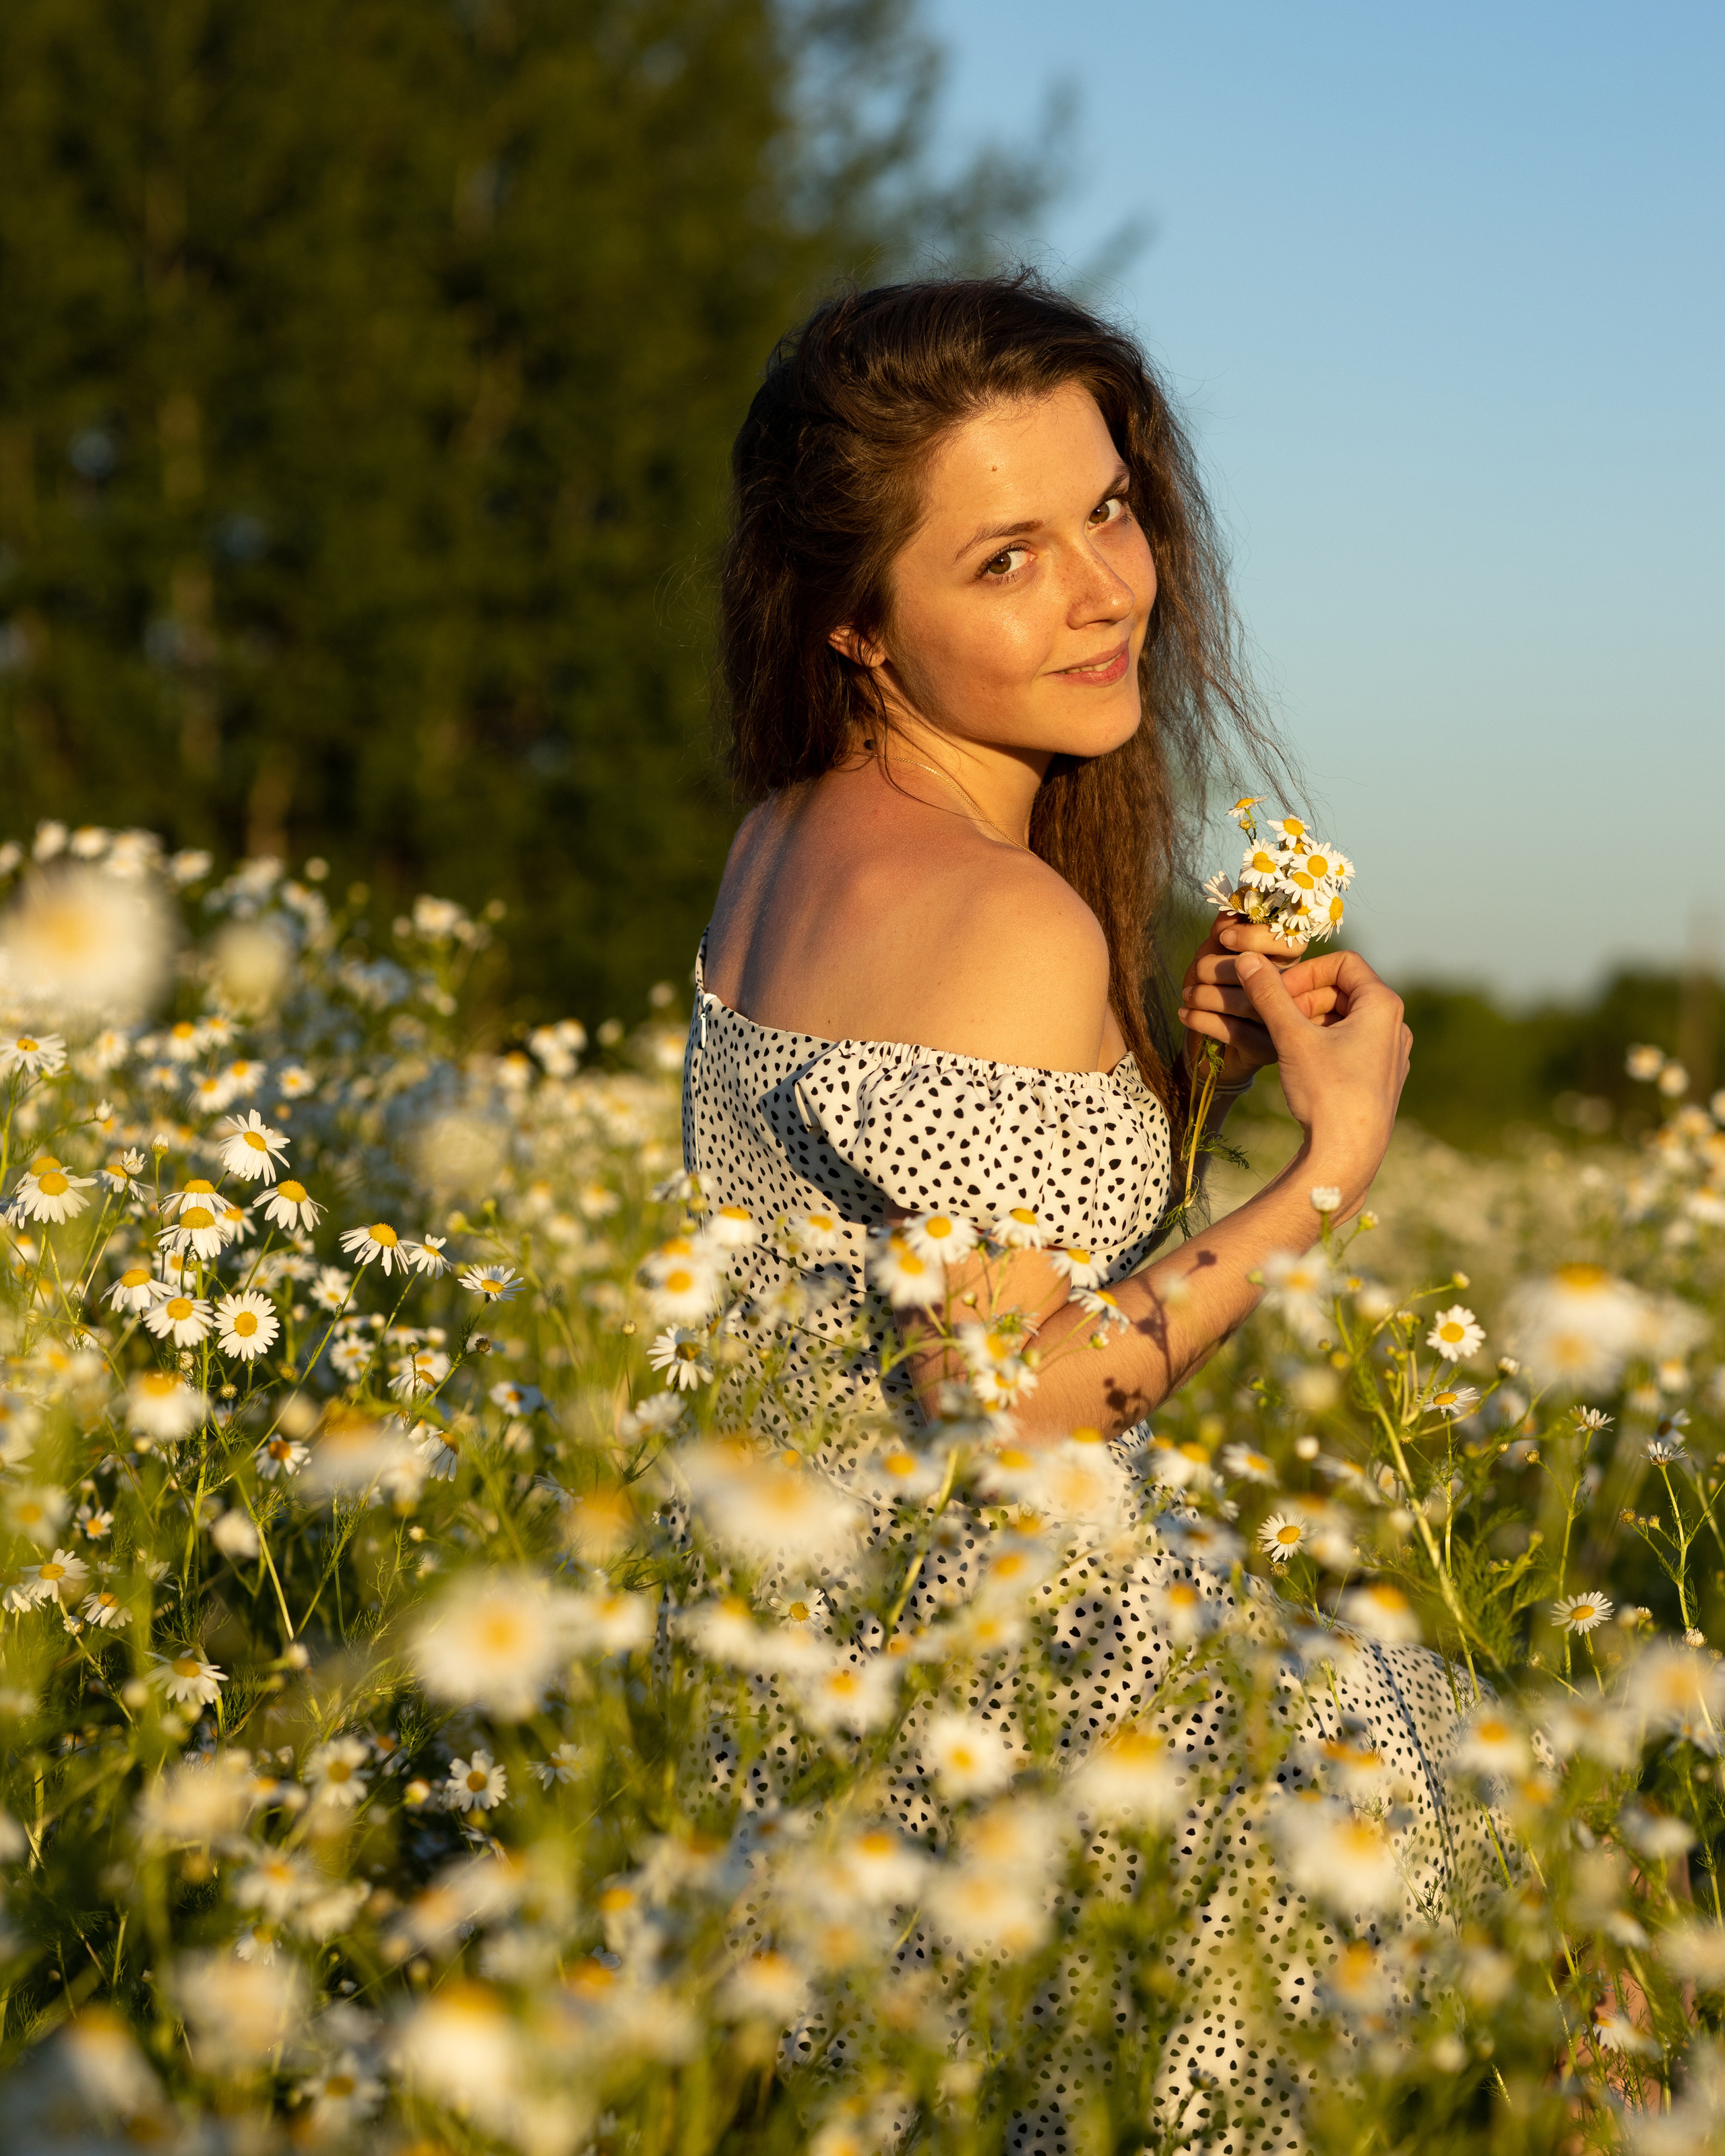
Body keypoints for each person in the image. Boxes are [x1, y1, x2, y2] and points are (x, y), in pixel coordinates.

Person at [681, 274, 1482, 2153]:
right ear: (858, 622)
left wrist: (1181, 1093)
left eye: (1110, 510)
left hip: (797, 1671)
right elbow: (1014, 1405)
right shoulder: (1007, 916)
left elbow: (926, 1259)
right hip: (1011, 1716)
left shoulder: (784, 837)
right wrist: (1331, 1168)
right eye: (1009, 558)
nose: (1108, 590)